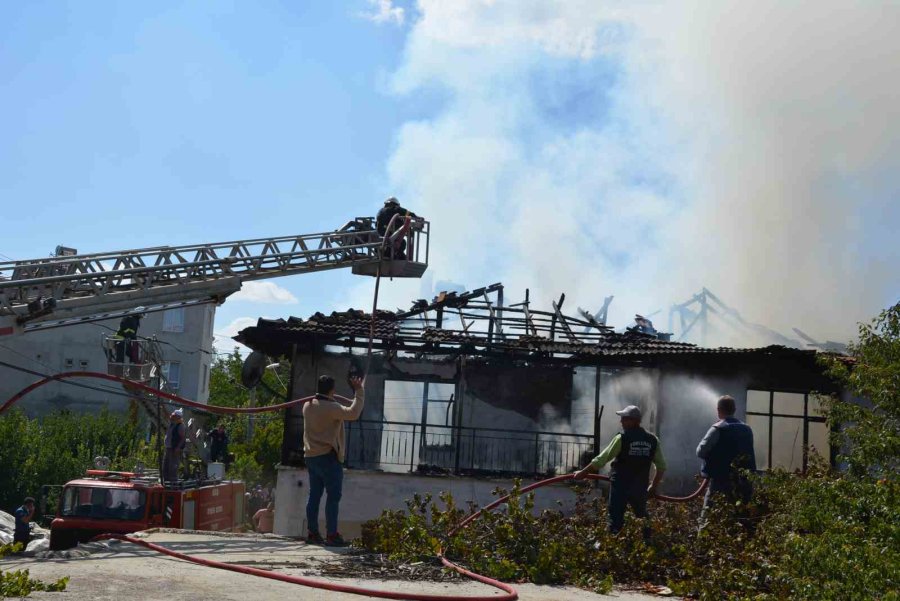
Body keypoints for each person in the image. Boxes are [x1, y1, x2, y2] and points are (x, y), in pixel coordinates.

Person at [574, 405, 667, 541]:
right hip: (639, 487)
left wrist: (583, 472)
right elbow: (662, 466)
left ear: (634, 421)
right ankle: (649, 545)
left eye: (624, 419)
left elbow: (602, 459)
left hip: (621, 486)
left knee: (615, 519)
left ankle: (613, 548)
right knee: (642, 518)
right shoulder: (653, 440)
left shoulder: (622, 438)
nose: (621, 422)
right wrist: (653, 486)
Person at [303, 374, 365, 546]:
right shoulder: (332, 407)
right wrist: (359, 391)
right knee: (333, 497)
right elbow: (353, 413)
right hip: (328, 458)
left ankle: (312, 533)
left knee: (314, 496)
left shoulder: (307, 406)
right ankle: (332, 535)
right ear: (332, 390)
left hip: (310, 456)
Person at [696, 395, 756, 531]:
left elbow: (700, 451)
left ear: (718, 410)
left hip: (720, 481)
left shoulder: (718, 428)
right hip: (744, 482)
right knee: (741, 518)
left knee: (707, 518)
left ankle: (701, 548)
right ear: (734, 409)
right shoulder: (747, 429)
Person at [163, 409, 186, 482]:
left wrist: (178, 448)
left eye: (174, 415)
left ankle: (172, 481)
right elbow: (167, 416)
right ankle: (165, 480)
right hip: (168, 447)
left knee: (173, 466)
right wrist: (163, 407)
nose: (172, 416)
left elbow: (182, 438)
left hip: (174, 448)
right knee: (166, 465)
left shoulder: (180, 426)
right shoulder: (172, 423)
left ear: (177, 417)